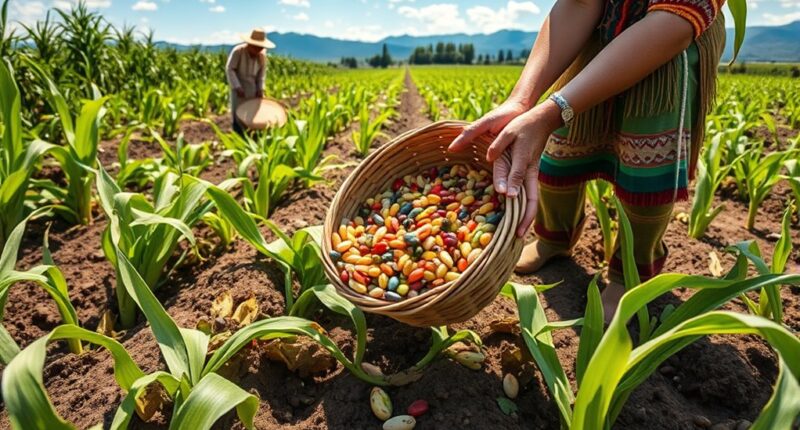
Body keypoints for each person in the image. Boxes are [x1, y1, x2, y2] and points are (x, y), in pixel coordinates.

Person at [449, 0, 725, 321]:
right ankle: (554, 237)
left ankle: (630, 273)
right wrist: (522, 101)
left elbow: (675, 19)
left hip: (666, 43)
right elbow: (580, 3)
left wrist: (551, 112)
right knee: (560, 153)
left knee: (646, 164)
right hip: (601, 32)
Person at [226, 28, 276, 135]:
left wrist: (260, 89)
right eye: (256, 47)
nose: (258, 50)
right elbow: (230, 69)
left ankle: (251, 135)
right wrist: (237, 86)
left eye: (260, 47)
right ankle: (238, 134)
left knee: (252, 113)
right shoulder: (238, 51)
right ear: (250, 44)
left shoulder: (262, 56)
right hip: (239, 87)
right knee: (238, 114)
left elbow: (261, 75)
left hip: (253, 87)